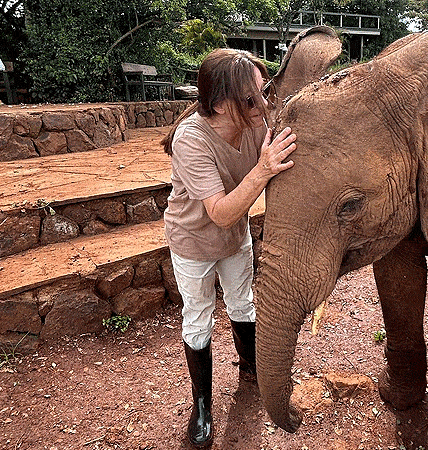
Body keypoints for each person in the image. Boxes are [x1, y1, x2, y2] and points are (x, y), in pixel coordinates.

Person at [161, 48, 296, 448]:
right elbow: (219, 212)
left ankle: (250, 368)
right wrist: (264, 168)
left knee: (242, 303)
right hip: (193, 243)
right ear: (219, 104)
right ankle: (202, 404)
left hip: (236, 238)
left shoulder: (257, 122)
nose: (263, 105)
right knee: (199, 317)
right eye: (251, 98)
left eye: (263, 92)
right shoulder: (191, 141)